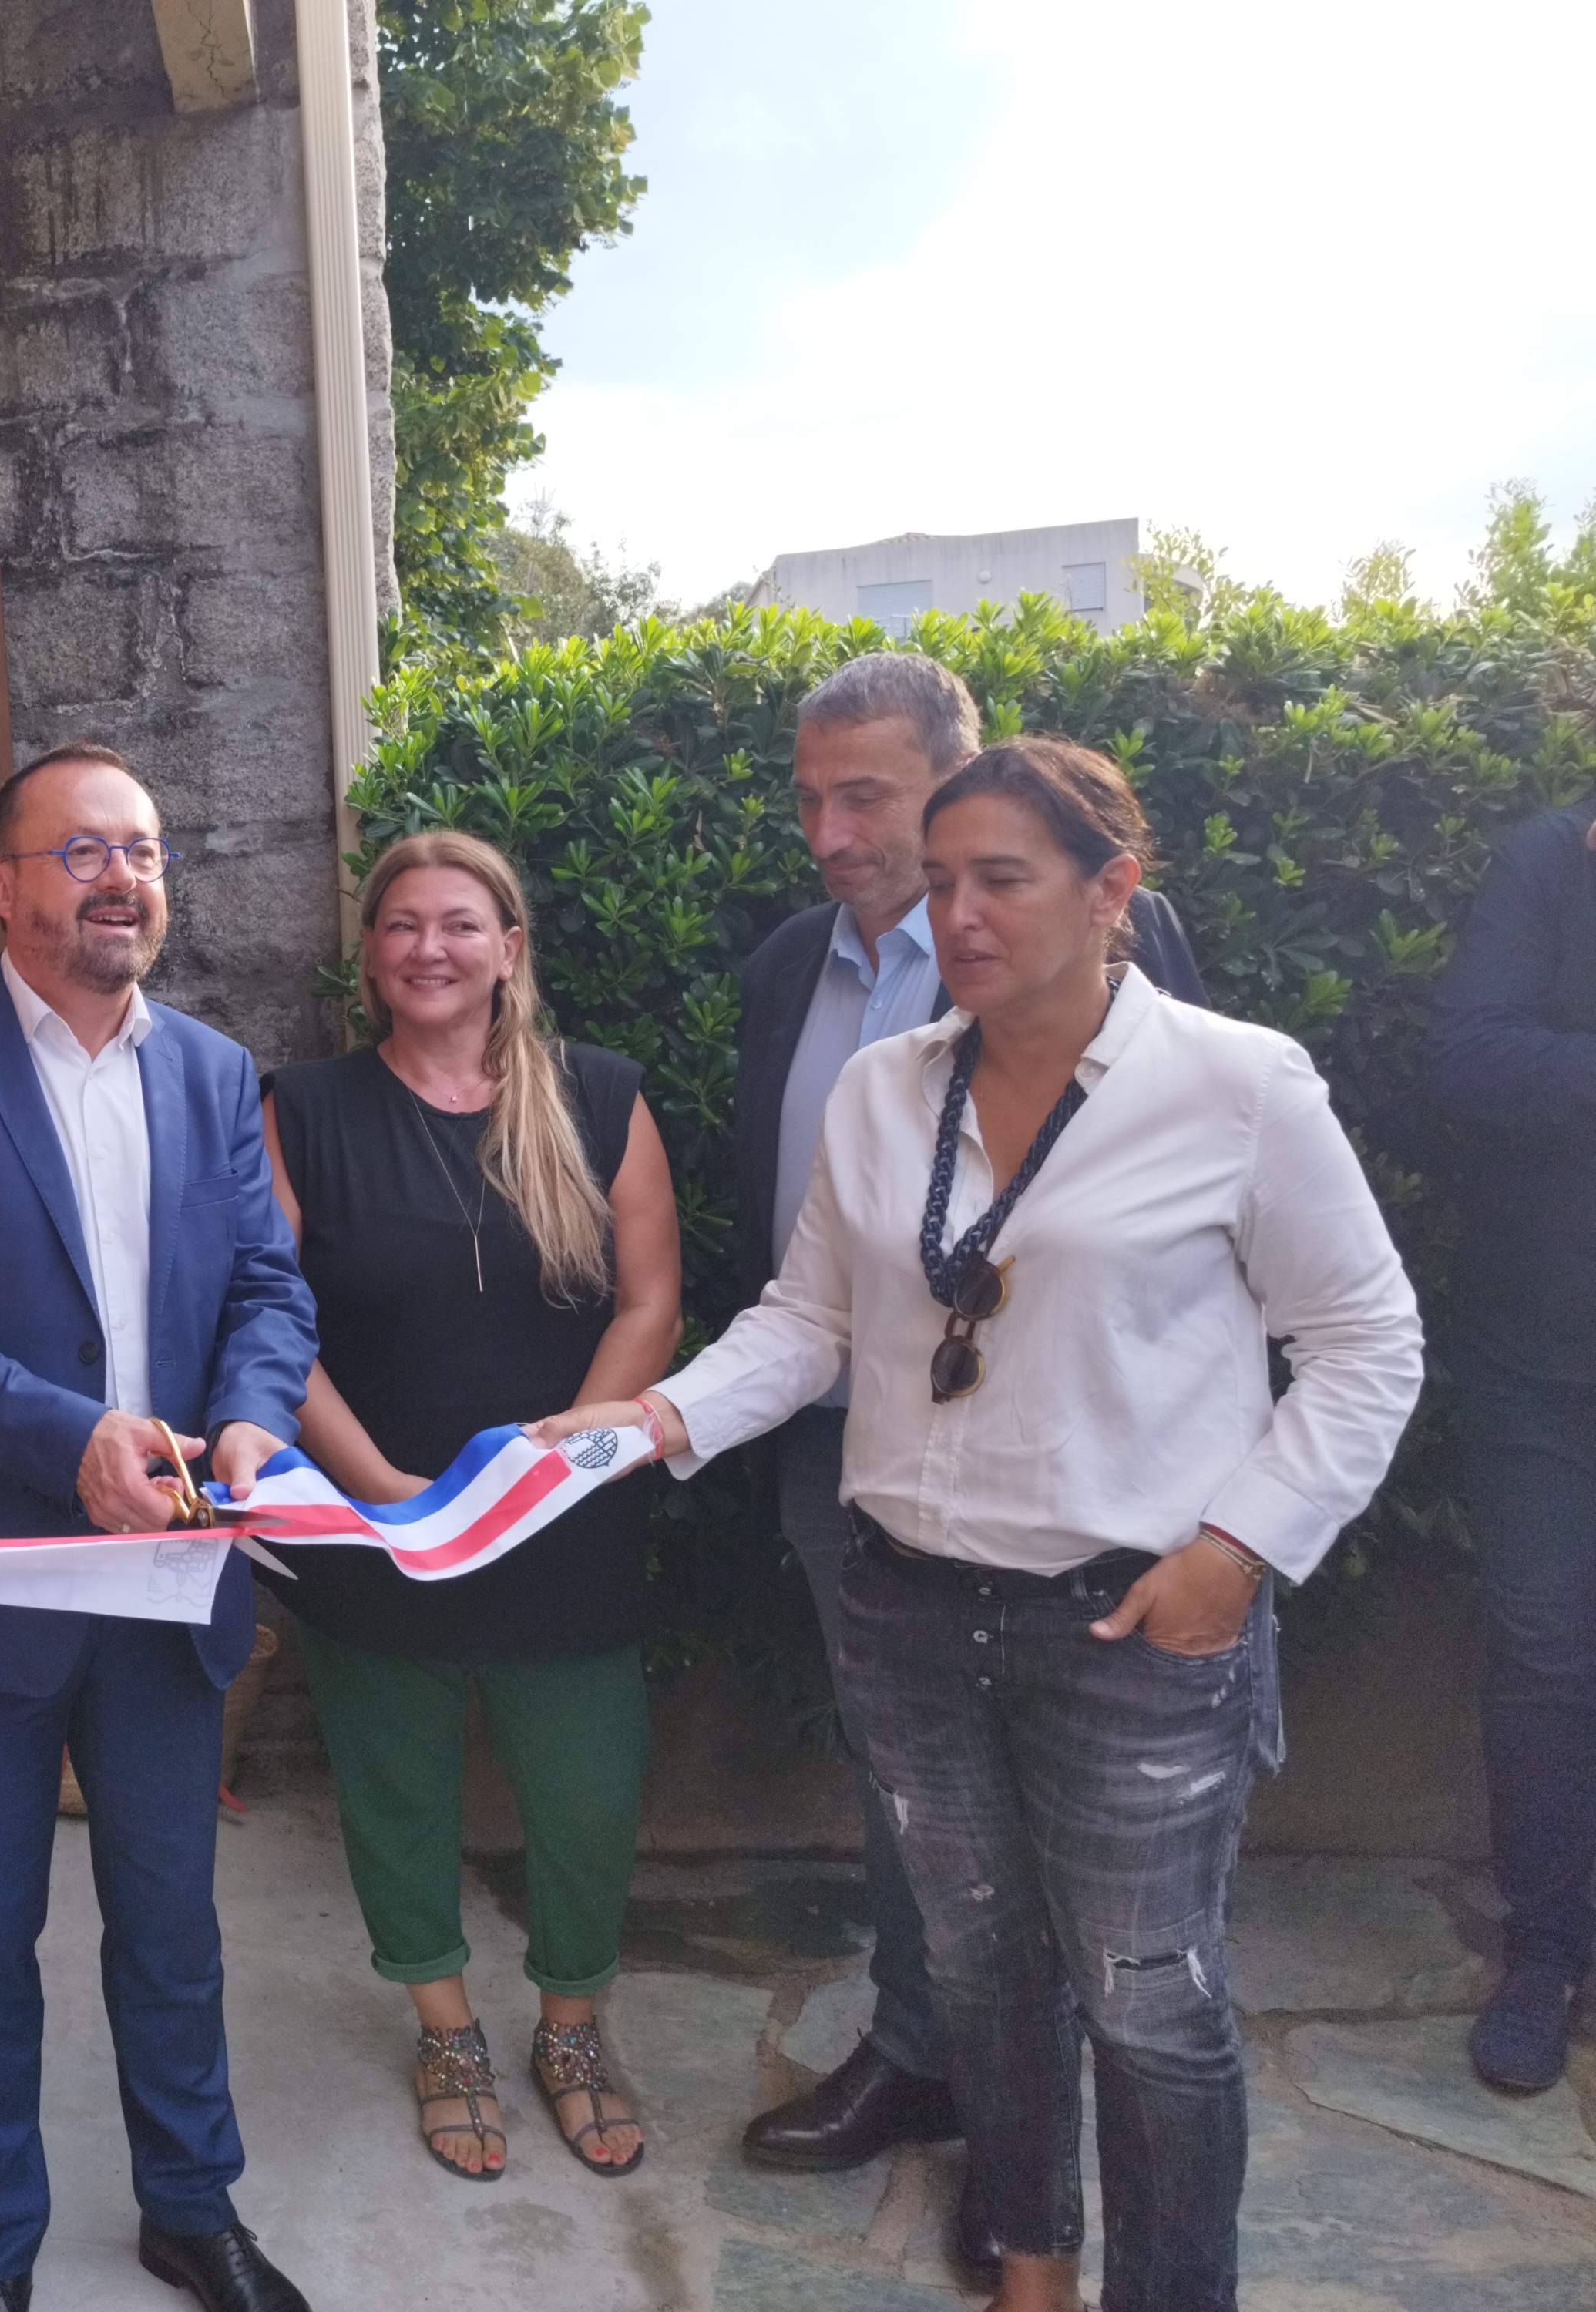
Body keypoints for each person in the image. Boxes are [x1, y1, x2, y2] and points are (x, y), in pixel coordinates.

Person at [552, 738, 1423, 2312]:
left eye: (998, 879)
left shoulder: (1235, 1086)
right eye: (940, 879)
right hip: (903, 1612)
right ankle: (1029, 2275)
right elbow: (804, 1320)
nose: (953, 912)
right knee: (979, 1975)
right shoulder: (887, 1091)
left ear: (1109, 894)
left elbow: (1366, 1341)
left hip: (1131, 1626)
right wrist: (650, 1419)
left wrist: (1233, 1553)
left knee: (1148, 2002)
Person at [0, 741, 321, 2312]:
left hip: (172, 1571)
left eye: (146, 851)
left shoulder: (211, 1071)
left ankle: (189, 2203)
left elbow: (265, 1284)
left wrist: (248, 1415)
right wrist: (69, 1443)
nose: (124, 878)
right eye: (83, 851)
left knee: (170, 1922)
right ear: (1, 885)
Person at [729, 656, 1211, 2220]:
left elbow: (1188, 1234)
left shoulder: (1087, 954)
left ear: (951, 781)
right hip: (839, 1454)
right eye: (806, 797)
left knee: (1065, 1826)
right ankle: (929, 2052)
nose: (825, 831)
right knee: (906, 1779)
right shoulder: (783, 970)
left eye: (860, 793)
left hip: (1060, 1479)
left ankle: (1036, 2152)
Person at [257, 829, 678, 2183]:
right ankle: (443, 2030)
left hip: (567, 1522)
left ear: (509, 950)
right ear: (368, 953)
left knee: (585, 1796)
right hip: (377, 1523)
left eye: (458, 925)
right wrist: (378, 1486)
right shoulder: (305, 1108)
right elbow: (269, 1317)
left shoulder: (599, 1097)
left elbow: (651, 1297)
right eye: (400, 926)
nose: (428, 949)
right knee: (394, 1794)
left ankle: (570, 2027)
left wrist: (565, 1458)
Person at [1422, 798, 1596, 2095]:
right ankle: (1547, 1953)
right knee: (1544, 1653)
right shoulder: (1553, 855)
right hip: (1539, 1359)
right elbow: (1471, 1059)